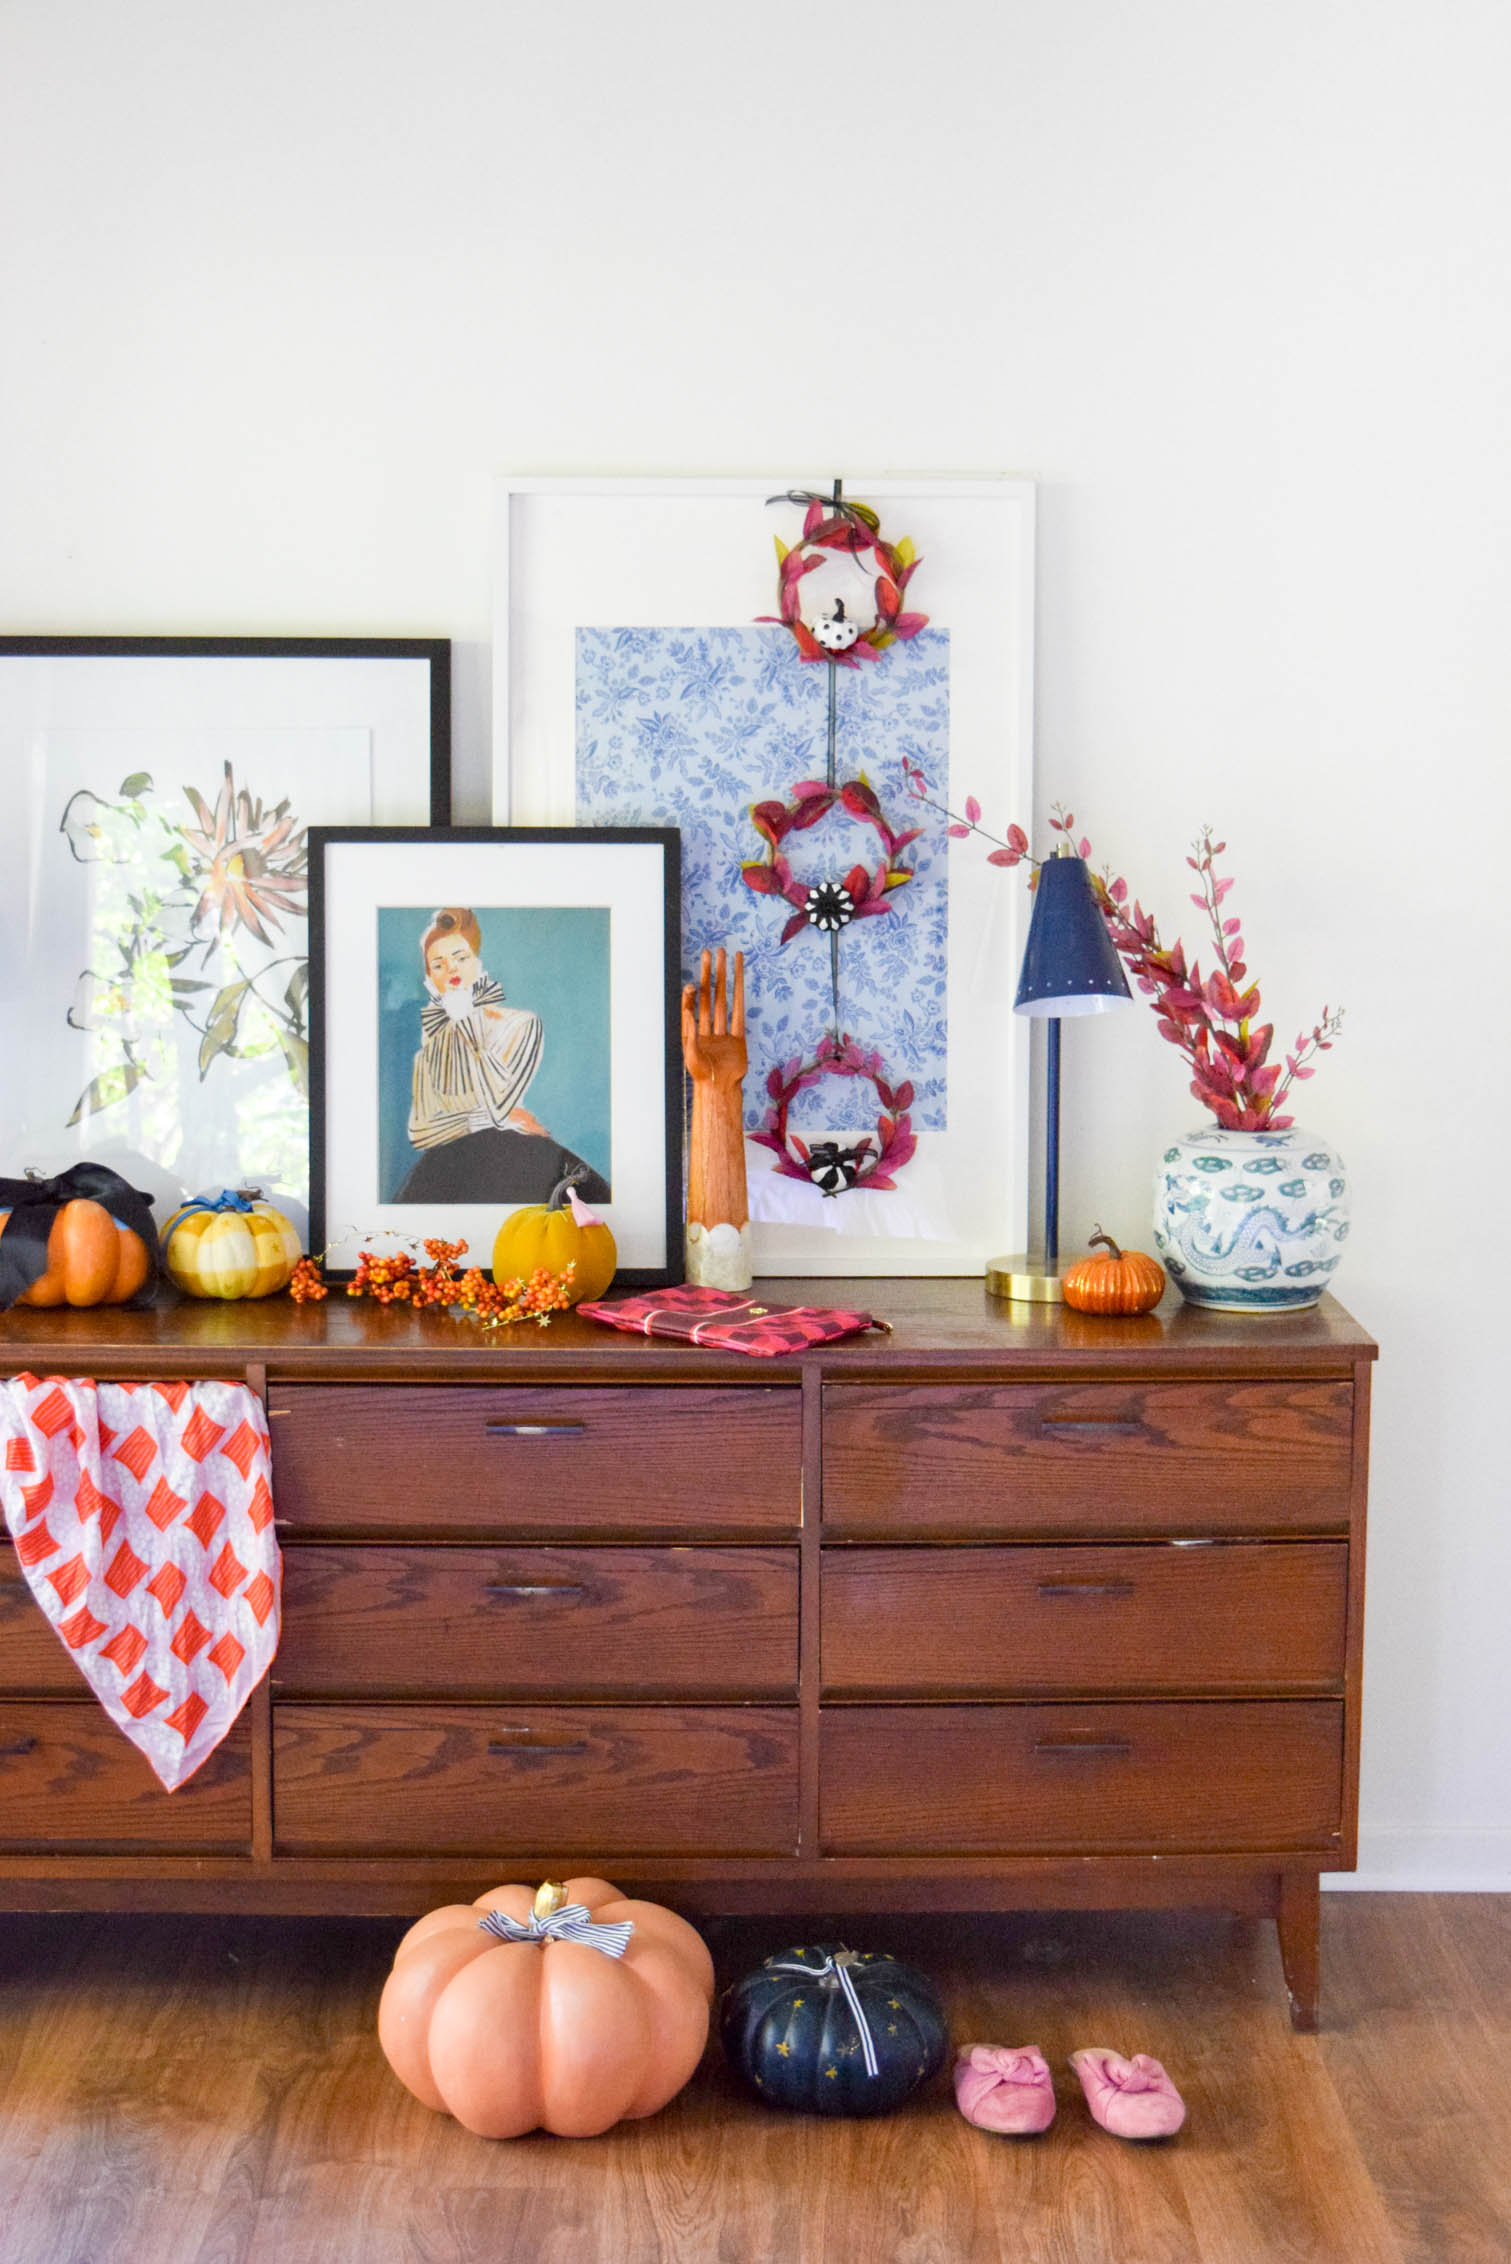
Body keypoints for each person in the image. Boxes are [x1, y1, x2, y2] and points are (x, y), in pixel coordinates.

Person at [392, 907, 610, 1205]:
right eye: (438, 965)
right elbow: (420, 1131)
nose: (452, 969)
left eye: (460, 957)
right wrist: (487, 1120)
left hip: (517, 1156)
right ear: (430, 979)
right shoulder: (432, 1046)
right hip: (451, 1165)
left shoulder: (521, 1024)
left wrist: (469, 1027)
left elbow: (500, 1104)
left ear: (478, 963)